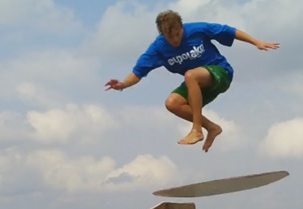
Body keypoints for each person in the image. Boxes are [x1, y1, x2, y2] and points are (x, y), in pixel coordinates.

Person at [105, 10, 279, 152]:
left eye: (177, 34)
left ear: (182, 27)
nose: (174, 40)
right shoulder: (158, 48)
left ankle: (196, 130)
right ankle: (212, 127)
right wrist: (122, 84)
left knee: (190, 75)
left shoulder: (197, 29)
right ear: (162, 34)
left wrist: (257, 42)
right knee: (172, 103)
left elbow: (229, 31)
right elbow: (138, 72)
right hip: (198, 85)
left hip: (221, 73)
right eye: (169, 37)